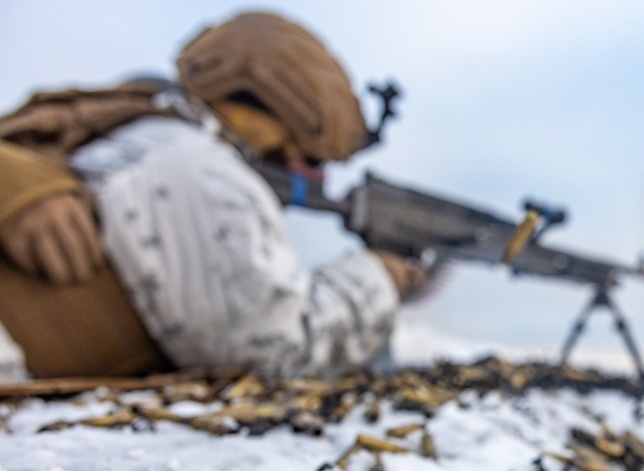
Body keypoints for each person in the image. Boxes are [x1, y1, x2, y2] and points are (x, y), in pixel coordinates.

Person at [0, 11, 424, 381]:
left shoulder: (147, 137)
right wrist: (382, 277)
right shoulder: (201, 168)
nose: (312, 177)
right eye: (309, 159)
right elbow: (273, 349)